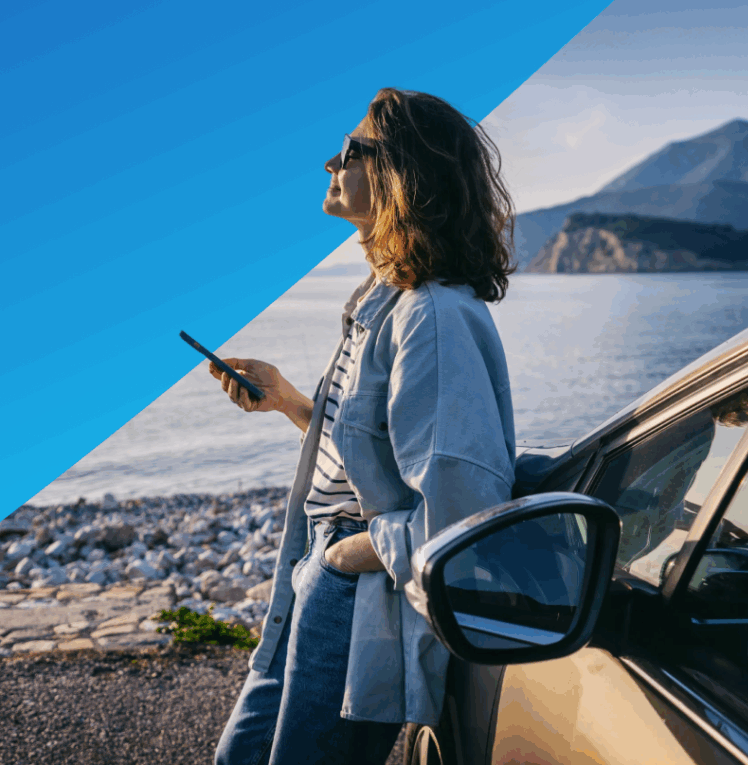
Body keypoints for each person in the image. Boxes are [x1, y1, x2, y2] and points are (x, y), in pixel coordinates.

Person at [207, 88, 519, 765]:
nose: (330, 163)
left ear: (401, 171)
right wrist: (291, 402)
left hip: (356, 584)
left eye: (348, 151)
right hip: (321, 572)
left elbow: (465, 514)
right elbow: (370, 459)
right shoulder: (383, 301)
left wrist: (343, 556)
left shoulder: (431, 317)